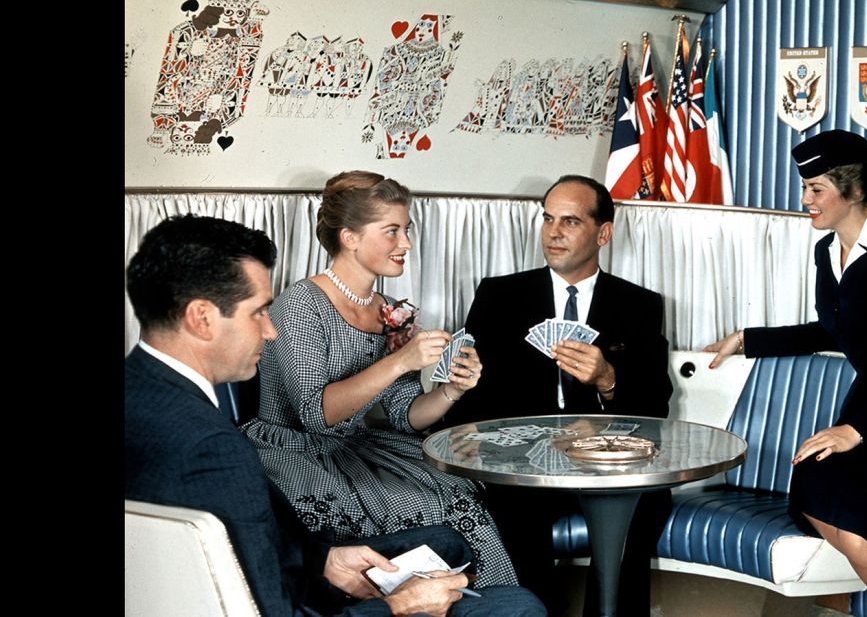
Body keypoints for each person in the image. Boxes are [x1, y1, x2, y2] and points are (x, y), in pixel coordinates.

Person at [125, 214, 545, 616]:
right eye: (258, 311)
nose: (270, 331)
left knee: (450, 538)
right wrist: (399, 606)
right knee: (520, 605)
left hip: (282, 570)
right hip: (288, 579)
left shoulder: (140, 393)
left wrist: (324, 559)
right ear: (201, 318)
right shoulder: (214, 450)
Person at [704, 130, 867, 617]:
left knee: (860, 535)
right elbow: (833, 329)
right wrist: (749, 338)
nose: (805, 199)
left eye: (816, 188)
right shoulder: (827, 251)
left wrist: (857, 430)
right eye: (804, 186)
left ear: (855, 191)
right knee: (813, 484)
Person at [239, 172, 518, 588]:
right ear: (349, 237)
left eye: (406, 230)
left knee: (460, 493)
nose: (405, 243)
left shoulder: (389, 309)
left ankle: (480, 607)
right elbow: (316, 415)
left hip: (360, 449)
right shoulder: (301, 304)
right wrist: (400, 361)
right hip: (294, 451)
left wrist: (451, 390)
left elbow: (408, 417)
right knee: (417, 505)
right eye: (392, 231)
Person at [446, 175, 674, 616]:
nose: (553, 232)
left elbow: (655, 405)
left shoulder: (639, 304)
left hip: (606, 463)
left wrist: (608, 378)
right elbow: (472, 392)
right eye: (548, 219)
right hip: (522, 465)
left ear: (603, 233)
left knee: (644, 504)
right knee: (512, 510)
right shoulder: (500, 295)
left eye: (570, 221)